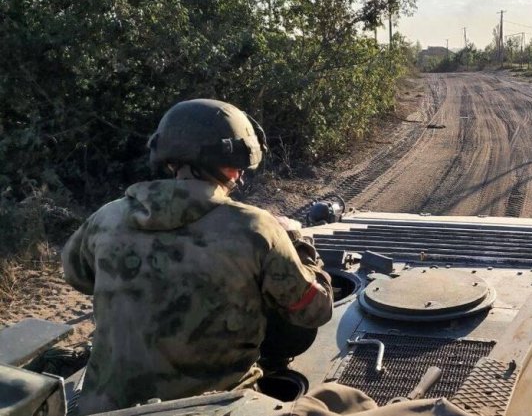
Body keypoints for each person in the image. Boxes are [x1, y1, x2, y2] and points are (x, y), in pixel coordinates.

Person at [62, 99, 334, 414]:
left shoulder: (107, 218)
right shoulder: (256, 228)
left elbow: (77, 275)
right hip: (218, 407)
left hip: (108, 409)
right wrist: (298, 242)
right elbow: (314, 311)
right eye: (239, 167)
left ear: (169, 159)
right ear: (230, 165)